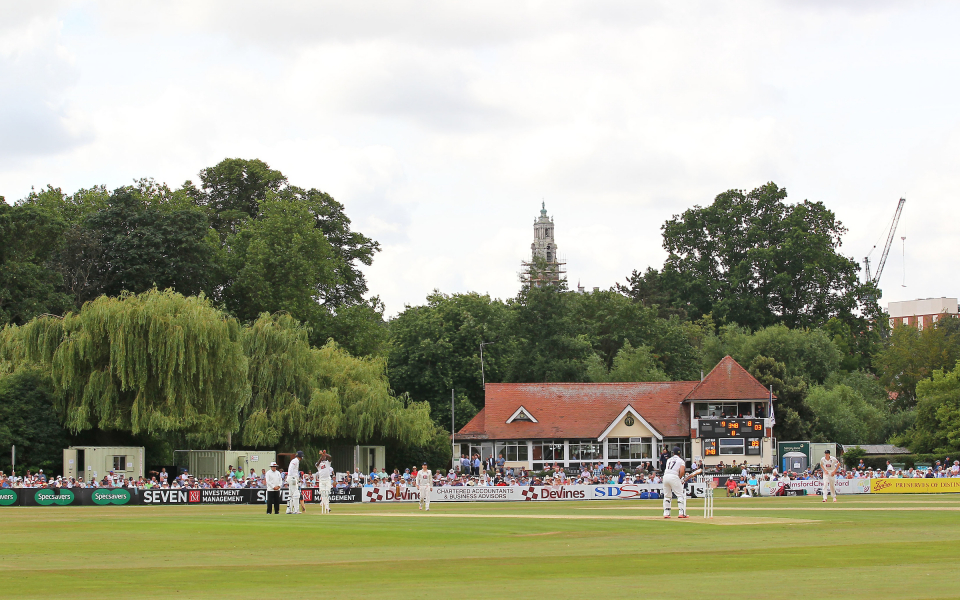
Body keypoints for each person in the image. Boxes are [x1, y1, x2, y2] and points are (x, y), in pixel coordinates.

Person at [662, 447, 687, 519]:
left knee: (667, 496)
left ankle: (666, 513)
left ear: (673, 453)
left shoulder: (669, 460)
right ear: (680, 453)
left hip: (665, 476)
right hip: (674, 476)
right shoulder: (681, 461)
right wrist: (679, 478)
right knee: (680, 495)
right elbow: (682, 471)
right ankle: (681, 513)